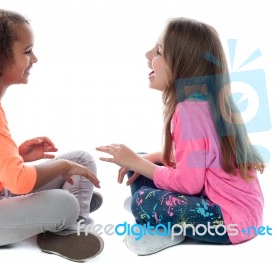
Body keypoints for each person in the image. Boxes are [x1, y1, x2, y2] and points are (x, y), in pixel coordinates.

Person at [0, 6, 103, 262]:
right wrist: (61, 166)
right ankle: (68, 217)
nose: (34, 59)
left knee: (81, 160)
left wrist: (18, 155)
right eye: (27, 52)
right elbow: (20, 182)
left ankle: (66, 218)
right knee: (64, 200)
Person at [96, 17, 265, 255]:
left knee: (141, 199)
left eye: (158, 51)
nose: (148, 54)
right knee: (143, 164)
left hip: (227, 223)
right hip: (245, 216)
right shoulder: (206, 103)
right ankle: (160, 216)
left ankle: (164, 226)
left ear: (182, 64)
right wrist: (141, 160)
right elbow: (196, 158)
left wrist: (136, 163)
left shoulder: (188, 111)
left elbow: (189, 184)